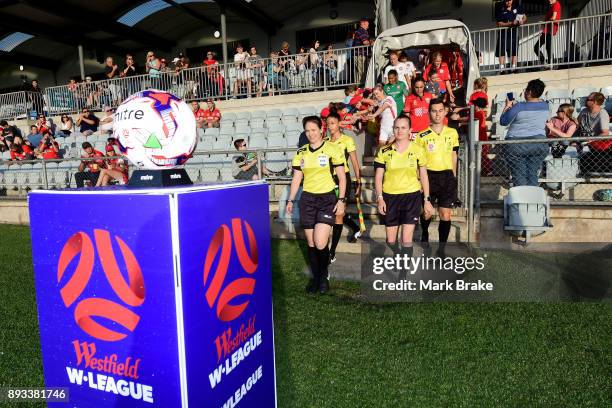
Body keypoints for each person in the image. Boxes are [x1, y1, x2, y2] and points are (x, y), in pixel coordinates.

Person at [285, 116, 346, 294]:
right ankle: (316, 278)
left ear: (321, 129)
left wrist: (341, 200)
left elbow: (342, 177)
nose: (311, 133)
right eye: (307, 130)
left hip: (327, 199)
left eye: (313, 129)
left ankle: (324, 274)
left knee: (320, 242)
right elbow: (297, 178)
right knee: (311, 243)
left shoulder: (332, 149)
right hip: (308, 200)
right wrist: (290, 200)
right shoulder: (301, 153)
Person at [376, 115, 434, 266]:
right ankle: (399, 254)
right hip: (390, 198)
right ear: (393, 129)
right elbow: (378, 176)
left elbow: (423, 175)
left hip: (411, 197)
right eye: (396, 127)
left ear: (410, 130)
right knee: (390, 240)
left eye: (403, 127)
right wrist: (380, 197)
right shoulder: (384, 151)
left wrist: (427, 200)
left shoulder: (418, 150)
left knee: (406, 239)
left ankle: (403, 274)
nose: (400, 130)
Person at [417, 98, 460, 256]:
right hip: (428, 177)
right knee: (427, 212)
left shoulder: (452, 132)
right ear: (429, 113)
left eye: (440, 110)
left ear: (445, 112)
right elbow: (418, 162)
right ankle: (425, 232)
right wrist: (419, 181)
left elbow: (454, 155)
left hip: (447, 177)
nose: (437, 114)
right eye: (434, 111)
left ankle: (441, 249)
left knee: (445, 214)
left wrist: (454, 176)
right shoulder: (422, 136)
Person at [325, 112, 362, 263]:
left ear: (339, 123)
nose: (330, 126)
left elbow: (354, 162)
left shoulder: (347, 140)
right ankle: (356, 227)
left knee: (339, 215)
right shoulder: (325, 141)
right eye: (328, 123)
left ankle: (332, 251)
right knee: (334, 213)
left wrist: (358, 181)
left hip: (343, 179)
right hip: (328, 180)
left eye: (333, 123)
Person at [499, 78, 550, 186]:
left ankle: (521, 201)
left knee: (519, 175)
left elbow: (503, 121)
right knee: (532, 174)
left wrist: (507, 106)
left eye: (526, 90)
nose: (525, 92)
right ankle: (533, 201)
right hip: (539, 144)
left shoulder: (519, 106)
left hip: (516, 145)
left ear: (530, 92)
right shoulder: (545, 106)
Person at [578, 92, 611, 174]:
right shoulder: (584, 111)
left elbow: (605, 133)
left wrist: (590, 140)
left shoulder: (602, 113)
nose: (585, 101)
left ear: (595, 102)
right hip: (584, 143)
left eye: (588, 99)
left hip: (598, 146)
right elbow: (576, 123)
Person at [495, 0, 527, 73]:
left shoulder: (517, 8)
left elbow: (524, 17)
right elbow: (499, 23)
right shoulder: (501, 9)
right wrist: (510, 23)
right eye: (506, 1)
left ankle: (514, 67)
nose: (508, 2)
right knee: (501, 51)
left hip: (514, 33)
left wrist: (522, 21)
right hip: (503, 34)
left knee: (514, 51)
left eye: (509, 0)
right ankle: (502, 69)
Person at [534, 0, 561, 67]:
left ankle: (550, 64)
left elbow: (553, 18)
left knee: (548, 47)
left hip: (550, 28)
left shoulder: (556, 4)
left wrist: (544, 23)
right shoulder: (552, 6)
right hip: (547, 29)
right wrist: (544, 23)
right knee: (537, 47)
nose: (549, 0)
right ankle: (546, 63)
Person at [352, 17, 371, 85]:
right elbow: (365, 42)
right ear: (362, 23)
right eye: (367, 24)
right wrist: (372, 43)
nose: (368, 26)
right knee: (361, 71)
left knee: (362, 71)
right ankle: (360, 86)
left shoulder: (364, 31)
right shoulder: (361, 31)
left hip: (362, 54)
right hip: (359, 55)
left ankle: (360, 86)